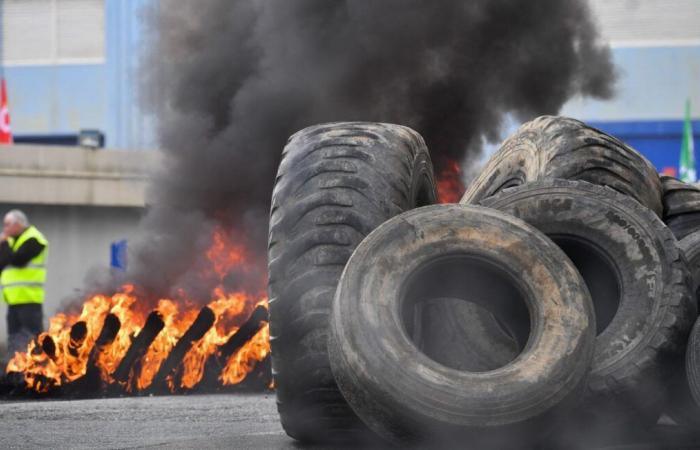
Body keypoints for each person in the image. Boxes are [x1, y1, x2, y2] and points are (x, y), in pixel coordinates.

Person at [0, 209, 48, 358]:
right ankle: (14, 374)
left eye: (7, 224)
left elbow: (18, 260)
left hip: (29, 300)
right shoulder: (12, 242)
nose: (5, 229)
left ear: (18, 224)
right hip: (13, 301)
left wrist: (5, 243)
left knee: (33, 339)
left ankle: (39, 372)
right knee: (14, 341)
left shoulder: (35, 239)